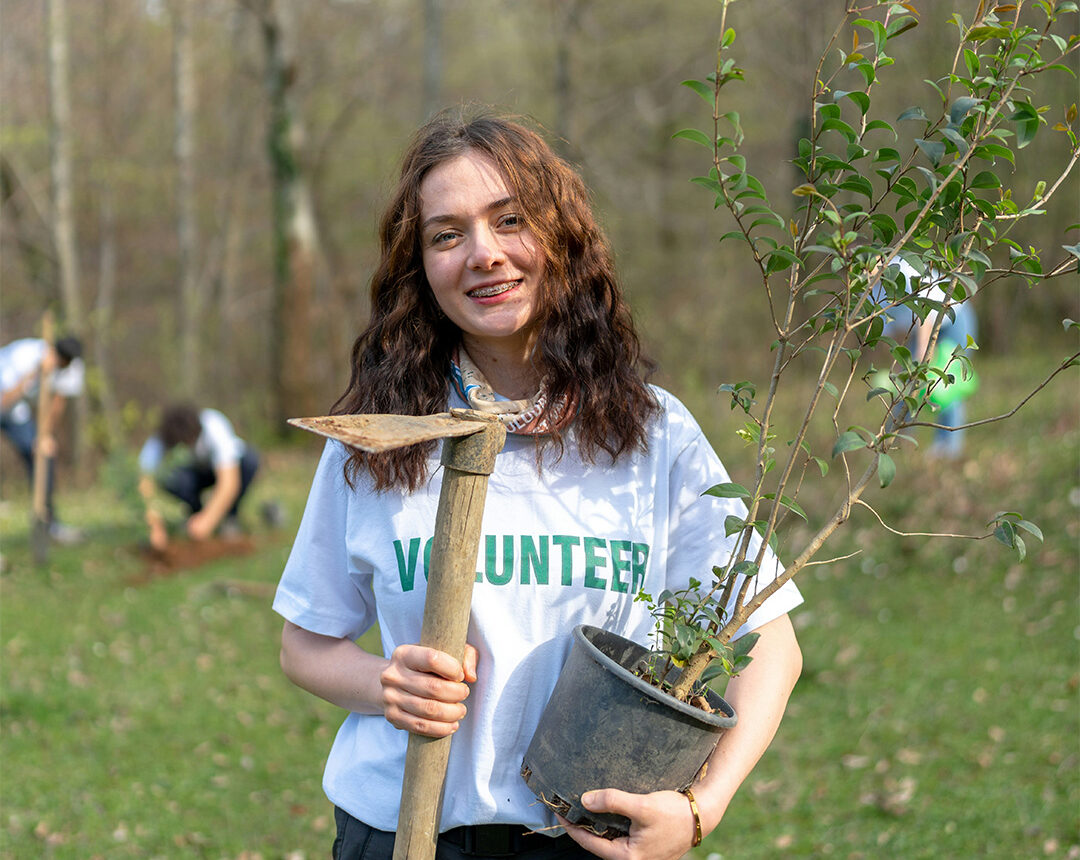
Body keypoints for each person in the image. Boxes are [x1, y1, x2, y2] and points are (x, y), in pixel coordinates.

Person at [273, 111, 804, 860]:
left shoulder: (651, 434)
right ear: (418, 267)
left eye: (510, 220)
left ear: (561, 237)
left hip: (583, 839)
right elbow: (304, 645)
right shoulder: (381, 437)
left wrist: (698, 808)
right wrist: (385, 685)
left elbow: (770, 643)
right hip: (400, 831)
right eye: (447, 234)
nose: (483, 254)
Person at [877, 259, 979, 459]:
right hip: (917, 331)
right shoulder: (872, 292)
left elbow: (927, 312)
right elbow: (893, 332)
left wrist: (922, 358)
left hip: (951, 319)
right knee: (904, 382)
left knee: (946, 383)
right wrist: (900, 365)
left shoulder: (901, 272)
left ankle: (948, 449)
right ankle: (899, 441)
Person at [0, 334, 86, 543]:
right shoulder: (24, 355)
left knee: (43, 456)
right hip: (6, 397)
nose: (63, 367)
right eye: (61, 361)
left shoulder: (72, 367)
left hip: (16, 413)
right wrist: (35, 374)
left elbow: (58, 403)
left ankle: (48, 523)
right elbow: (5, 400)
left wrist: (44, 436)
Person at [138, 403, 259, 550]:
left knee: (249, 461)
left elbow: (229, 482)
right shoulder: (160, 439)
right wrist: (155, 527)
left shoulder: (213, 425)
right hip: (193, 473)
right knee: (171, 477)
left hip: (225, 468)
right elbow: (144, 482)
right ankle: (194, 513)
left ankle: (229, 517)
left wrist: (208, 519)